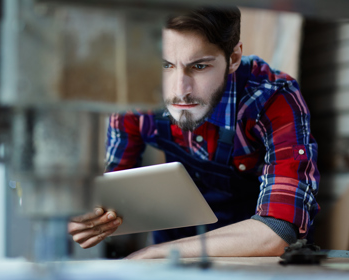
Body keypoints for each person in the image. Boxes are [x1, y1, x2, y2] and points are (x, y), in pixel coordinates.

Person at [68, 6, 320, 259]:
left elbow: (279, 231)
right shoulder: (135, 95)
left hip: (254, 258)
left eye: (199, 66)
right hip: (169, 255)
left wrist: (157, 253)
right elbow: (114, 195)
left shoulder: (273, 99)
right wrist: (89, 218)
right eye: (165, 65)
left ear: (233, 58)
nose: (181, 90)